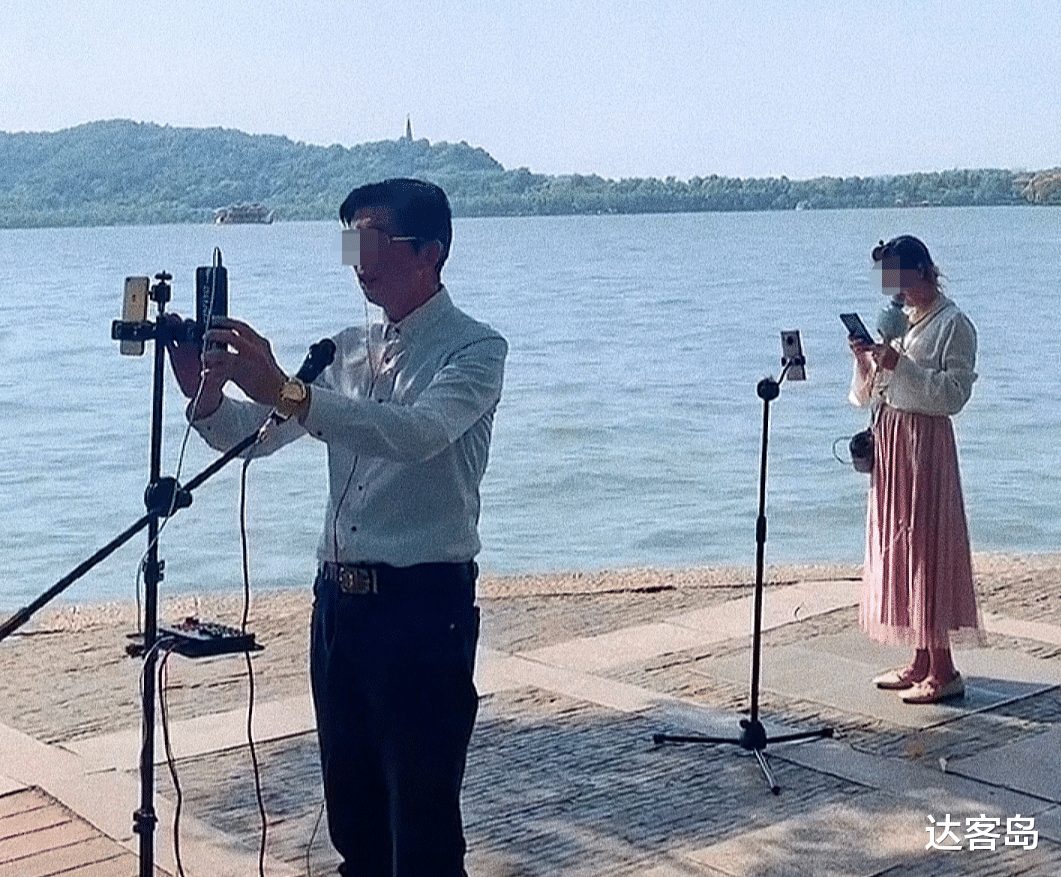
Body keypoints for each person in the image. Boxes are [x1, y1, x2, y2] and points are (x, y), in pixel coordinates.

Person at [165, 178, 507, 876]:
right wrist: (205, 394)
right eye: (350, 242)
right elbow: (256, 436)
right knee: (354, 823)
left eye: (372, 240)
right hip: (338, 607)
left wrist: (287, 389)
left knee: (423, 827)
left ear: (429, 252)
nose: (359, 259)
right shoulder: (347, 349)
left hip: (422, 607)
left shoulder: (474, 349)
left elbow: (415, 433)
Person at [847, 234, 982, 705]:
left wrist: (900, 366)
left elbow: (953, 395)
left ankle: (944, 669)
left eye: (902, 280)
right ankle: (921, 658)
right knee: (901, 545)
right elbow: (871, 391)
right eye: (891, 284)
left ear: (924, 270)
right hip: (893, 440)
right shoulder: (902, 322)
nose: (897, 292)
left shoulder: (953, 325)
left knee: (928, 545)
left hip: (925, 444)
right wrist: (867, 361)